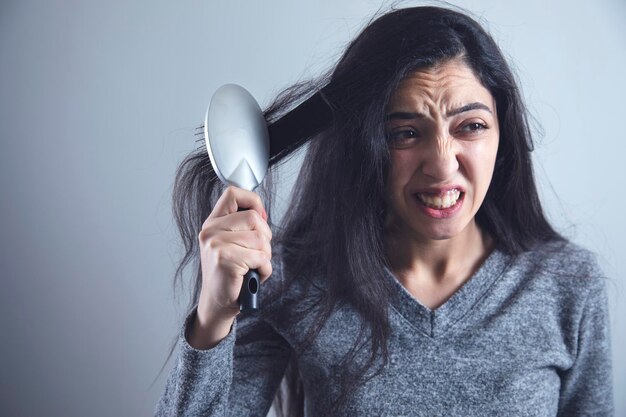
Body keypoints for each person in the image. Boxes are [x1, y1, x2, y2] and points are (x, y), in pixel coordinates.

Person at [156, 6, 613, 417]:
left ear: (503, 137)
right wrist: (213, 316)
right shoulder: (288, 280)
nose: (441, 165)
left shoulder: (568, 285)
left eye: (471, 126)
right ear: (364, 144)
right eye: (405, 133)